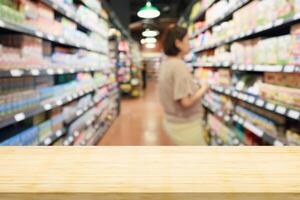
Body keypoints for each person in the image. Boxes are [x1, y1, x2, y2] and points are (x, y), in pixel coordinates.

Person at [158, 25, 209, 145]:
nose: (189, 44)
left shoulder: (166, 64)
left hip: (172, 122)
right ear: (178, 43)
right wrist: (203, 89)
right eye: (187, 40)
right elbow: (185, 102)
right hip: (185, 126)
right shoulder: (178, 66)